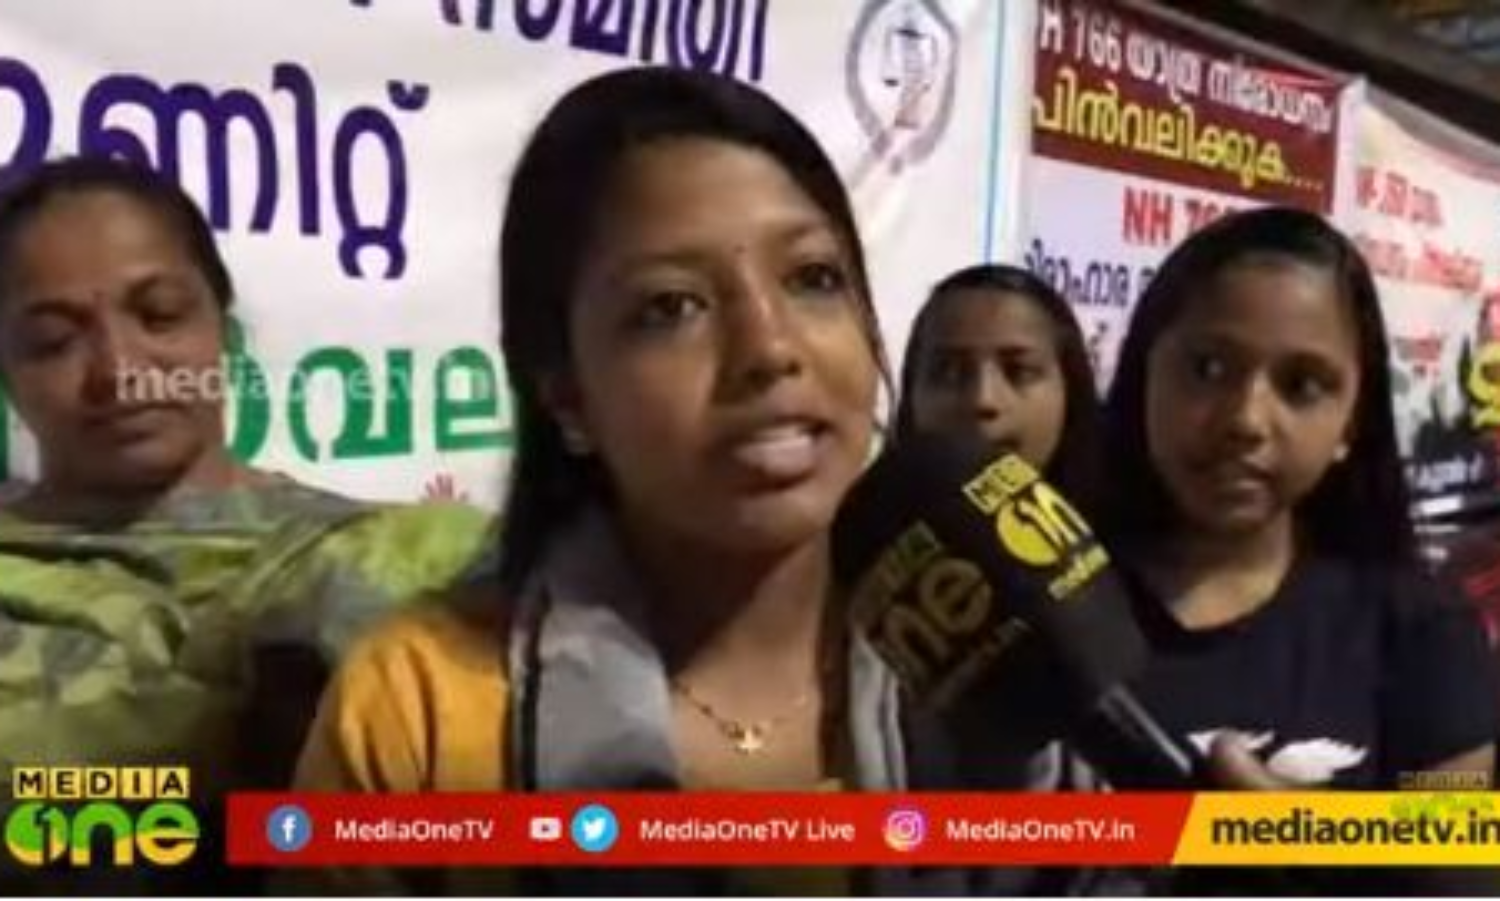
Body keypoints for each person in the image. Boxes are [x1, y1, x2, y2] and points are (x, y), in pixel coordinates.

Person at [294, 67, 1056, 896]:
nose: (771, 348)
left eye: (813, 277)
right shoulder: (417, 712)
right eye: (670, 307)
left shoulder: (1005, 651)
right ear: (568, 398)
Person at [0, 156, 488, 892]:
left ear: (223, 335)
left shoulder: (411, 552)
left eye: (160, 314)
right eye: (53, 342)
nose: (119, 368)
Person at [1097, 206, 1498, 895]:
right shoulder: (1045, 605)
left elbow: (1462, 863)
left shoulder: (1417, 626)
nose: (1246, 420)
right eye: (1208, 367)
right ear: (1143, 376)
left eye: (1303, 385)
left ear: (1350, 423)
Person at [893, 263, 1100, 510]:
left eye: (1019, 371)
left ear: (1070, 386)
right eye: (950, 374)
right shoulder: (866, 526)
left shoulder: (1124, 529)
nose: (983, 399)